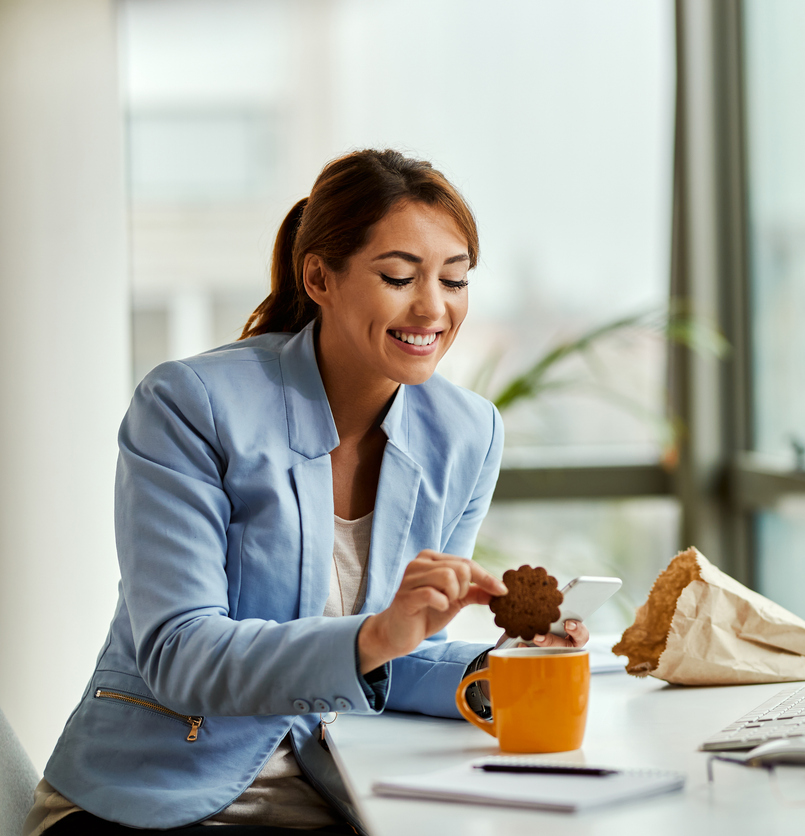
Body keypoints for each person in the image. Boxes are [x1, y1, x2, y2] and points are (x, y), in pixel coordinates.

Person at [25, 149, 587, 835]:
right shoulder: (189, 405)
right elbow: (180, 651)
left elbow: (391, 661)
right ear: (319, 276)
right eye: (399, 276)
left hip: (325, 797)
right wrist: (376, 634)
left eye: (456, 279)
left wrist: (504, 667)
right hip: (145, 802)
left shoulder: (467, 433)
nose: (433, 308)